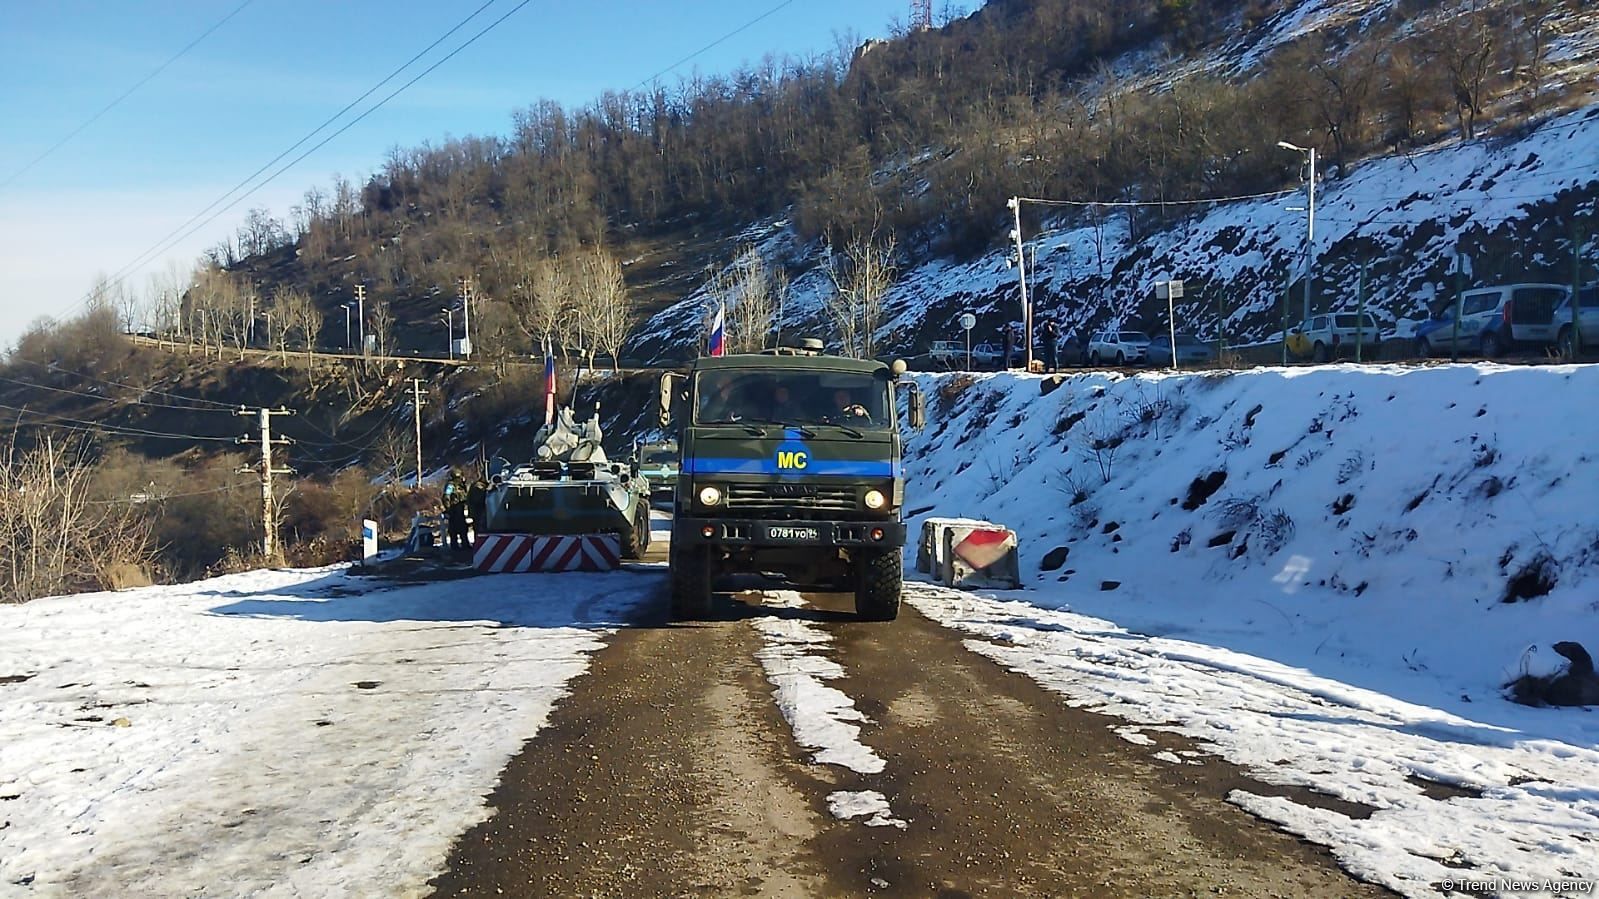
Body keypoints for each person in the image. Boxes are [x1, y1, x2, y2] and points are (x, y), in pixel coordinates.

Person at [443, 470, 469, 551]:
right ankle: (455, 547)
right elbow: (446, 497)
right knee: (454, 529)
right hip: (454, 510)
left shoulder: (461, 486)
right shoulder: (451, 485)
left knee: (463, 528)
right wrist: (448, 509)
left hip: (460, 509)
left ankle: (465, 545)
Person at [466, 476, 487, 541]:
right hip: (479, 513)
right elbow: (477, 500)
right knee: (479, 530)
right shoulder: (477, 487)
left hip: (478, 513)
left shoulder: (478, 486)